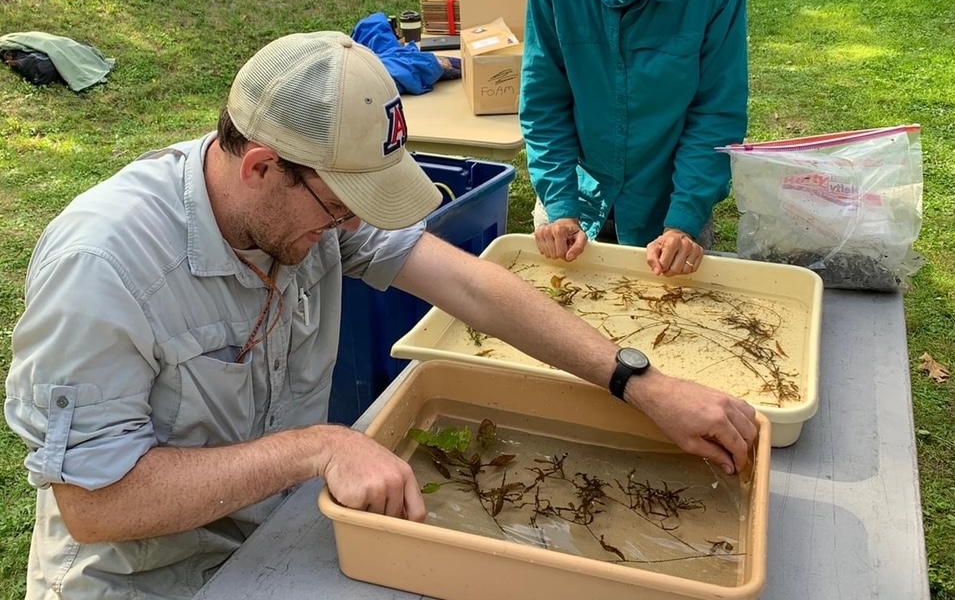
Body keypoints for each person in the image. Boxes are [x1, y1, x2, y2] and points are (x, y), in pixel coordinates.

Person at [4, 31, 757, 599]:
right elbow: (97, 504)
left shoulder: (300, 202)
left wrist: (638, 381)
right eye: (338, 209)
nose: (347, 229)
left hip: (280, 536)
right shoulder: (103, 266)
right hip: (145, 581)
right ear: (262, 165)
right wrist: (315, 449)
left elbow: (475, 289)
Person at [520, 0, 750, 277]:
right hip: (578, 192)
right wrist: (561, 204)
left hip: (668, 200)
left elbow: (717, 110)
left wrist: (684, 219)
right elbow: (544, 101)